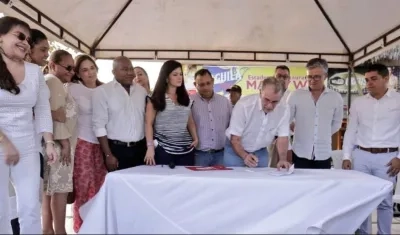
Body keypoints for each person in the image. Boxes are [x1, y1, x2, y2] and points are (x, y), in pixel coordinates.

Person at [0, 16, 56, 234]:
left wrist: (49, 141)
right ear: (1, 38)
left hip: (29, 147)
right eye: (19, 36)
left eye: (28, 39)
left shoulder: (34, 72)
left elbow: (42, 108)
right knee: (2, 208)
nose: (25, 42)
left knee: (31, 207)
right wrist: (6, 144)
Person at [342, 63, 400, 235]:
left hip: (388, 158)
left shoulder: (398, 100)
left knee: (385, 202)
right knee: (361, 200)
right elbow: (351, 130)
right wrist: (346, 156)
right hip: (361, 156)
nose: (369, 83)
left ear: (386, 78)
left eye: (374, 79)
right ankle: (363, 233)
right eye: (367, 80)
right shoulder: (359, 103)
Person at [69, 54, 107, 232]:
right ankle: (81, 228)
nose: (89, 72)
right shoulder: (72, 88)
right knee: (83, 188)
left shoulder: (106, 89)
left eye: (92, 68)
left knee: (101, 188)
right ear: (78, 73)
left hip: (103, 145)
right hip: (82, 144)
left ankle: (98, 227)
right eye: (84, 69)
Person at [42, 49, 78, 235]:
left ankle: (49, 230)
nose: (72, 71)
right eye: (68, 67)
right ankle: (61, 231)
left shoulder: (52, 82)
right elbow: (58, 115)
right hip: (59, 145)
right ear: (53, 65)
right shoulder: (53, 81)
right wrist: (65, 144)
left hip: (56, 145)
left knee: (50, 191)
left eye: (73, 68)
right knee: (60, 191)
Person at [92, 56, 148, 171]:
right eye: (124, 69)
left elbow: (146, 120)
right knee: (119, 187)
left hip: (141, 150)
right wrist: (108, 155)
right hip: (117, 151)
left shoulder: (141, 91)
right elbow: (99, 126)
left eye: (131, 69)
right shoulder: (102, 91)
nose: (129, 73)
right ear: (114, 72)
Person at [223, 77, 291, 169]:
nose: (270, 106)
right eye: (266, 100)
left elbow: (282, 137)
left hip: (260, 150)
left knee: (261, 182)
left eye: (275, 102)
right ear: (260, 93)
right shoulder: (244, 106)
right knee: (234, 181)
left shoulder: (284, 109)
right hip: (235, 149)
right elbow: (235, 139)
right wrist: (245, 156)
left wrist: (282, 159)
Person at [288, 58, 343, 169]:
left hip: (323, 153)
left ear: (325, 76)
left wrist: (322, 133)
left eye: (317, 76)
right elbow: (285, 122)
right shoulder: (295, 95)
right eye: (309, 76)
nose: (312, 80)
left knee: (323, 185)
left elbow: (337, 123)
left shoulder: (335, 97)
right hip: (299, 152)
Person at [144, 60, 198, 166]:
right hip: (164, 149)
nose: (179, 77)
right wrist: (150, 147)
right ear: (166, 77)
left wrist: (195, 138)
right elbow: (148, 123)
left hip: (186, 149)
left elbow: (190, 121)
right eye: (175, 74)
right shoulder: (155, 99)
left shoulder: (186, 98)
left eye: (181, 74)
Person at [191, 68, 231, 166]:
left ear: (213, 81)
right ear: (195, 84)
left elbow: (231, 126)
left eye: (208, 83)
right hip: (199, 155)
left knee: (221, 180)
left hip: (221, 154)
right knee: (199, 181)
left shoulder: (224, 102)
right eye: (201, 84)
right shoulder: (190, 102)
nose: (205, 87)